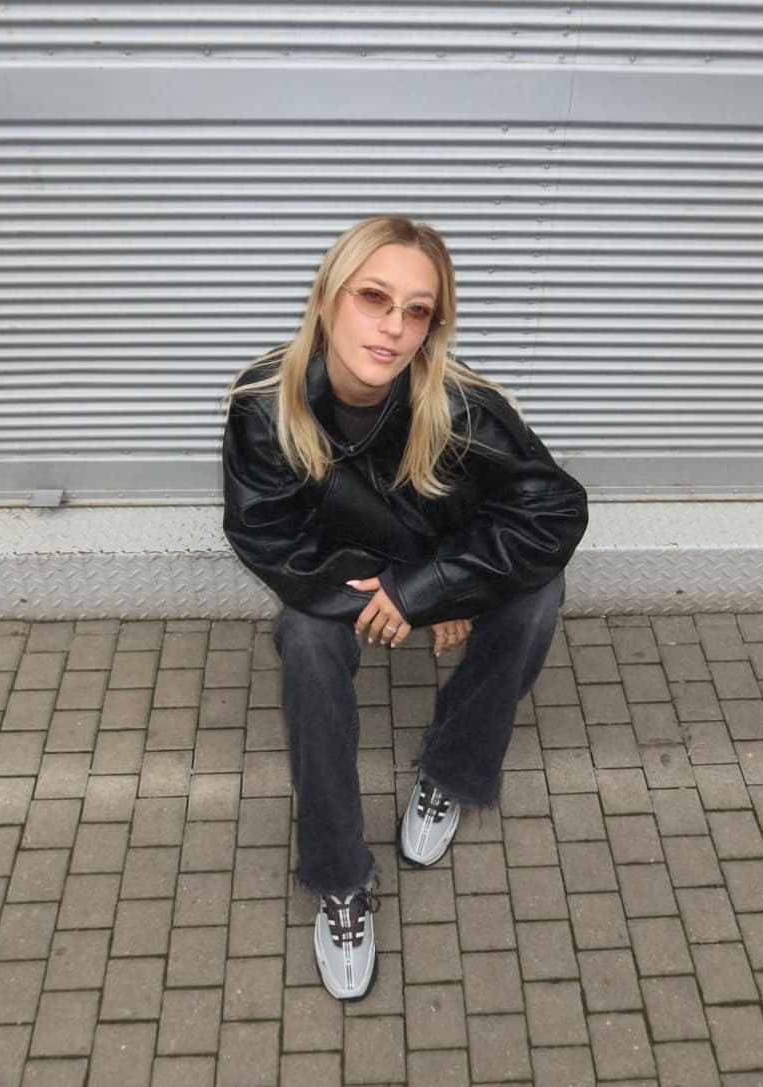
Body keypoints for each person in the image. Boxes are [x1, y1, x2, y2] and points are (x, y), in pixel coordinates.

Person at [222, 215, 588, 1000]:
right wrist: (402, 592)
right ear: (329, 296)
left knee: (539, 591)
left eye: (416, 310)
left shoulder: (458, 402)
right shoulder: (265, 404)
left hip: (439, 565)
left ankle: (451, 768)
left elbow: (553, 510)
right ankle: (339, 877)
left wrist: (437, 588)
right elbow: (269, 536)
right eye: (374, 297)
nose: (393, 326)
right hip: (348, 577)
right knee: (304, 638)